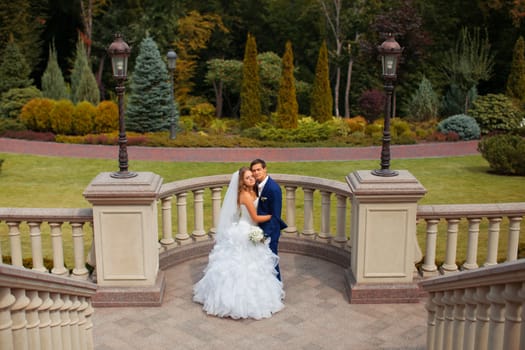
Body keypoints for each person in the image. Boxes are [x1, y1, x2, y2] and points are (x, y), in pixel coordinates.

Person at [193, 167, 285, 320]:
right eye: (248, 177)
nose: (251, 179)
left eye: (252, 176)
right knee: (242, 266)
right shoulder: (244, 195)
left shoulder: (253, 190)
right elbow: (255, 217)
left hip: (253, 230)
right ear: (242, 181)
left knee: (260, 263)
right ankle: (237, 302)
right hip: (247, 231)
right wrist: (272, 216)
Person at [250, 158, 287, 281]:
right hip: (257, 229)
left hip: (270, 232)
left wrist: (264, 236)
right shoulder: (254, 186)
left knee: (271, 260)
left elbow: (275, 216)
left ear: (265, 169)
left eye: (258, 170)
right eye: (253, 171)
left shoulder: (273, 189)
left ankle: (277, 288)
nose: (256, 173)